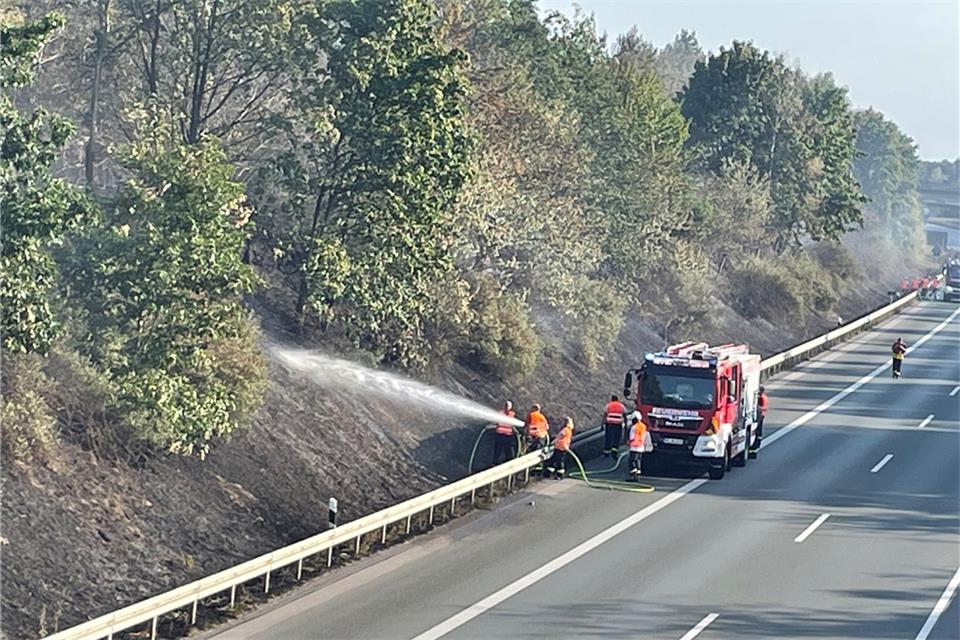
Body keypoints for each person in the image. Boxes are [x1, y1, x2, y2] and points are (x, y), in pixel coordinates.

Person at [491, 401, 517, 466]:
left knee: (507, 449)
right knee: (498, 449)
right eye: (506, 406)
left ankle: (508, 461)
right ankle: (495, 462)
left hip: (507, 435)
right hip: (500, 434)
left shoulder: (512, 414)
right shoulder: (501, 413)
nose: (507, 407)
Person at [626, 413, 647, 480]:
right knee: (638, 461)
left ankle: (634, 476)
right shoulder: (643, 426)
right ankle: (638, 476)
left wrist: (628, 442)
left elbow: (632, 438)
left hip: (634, 447)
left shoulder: (634, 427)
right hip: (641, 447)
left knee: (631, 461)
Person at [753, 386, 768, 453]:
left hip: (760, 415)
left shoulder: (762, 398)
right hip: (760, 414)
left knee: (758, 429)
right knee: (758, 429)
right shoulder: (762, 397)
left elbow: (764, 407)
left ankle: (757, 443)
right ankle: (756, 442)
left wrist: (758, 408)